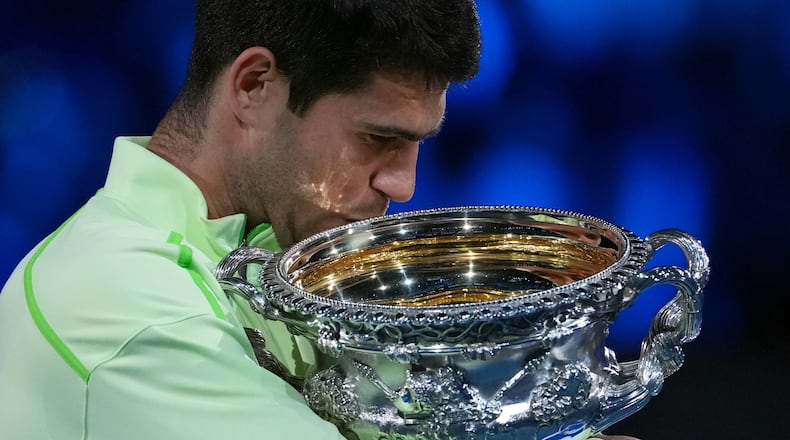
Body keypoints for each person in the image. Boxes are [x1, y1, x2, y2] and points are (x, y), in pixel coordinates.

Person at [0, 1, 639, 439]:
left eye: (420, 143)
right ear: (253, 86)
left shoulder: (289, 257)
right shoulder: (124, 304)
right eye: (376, 138)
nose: (404, 185)